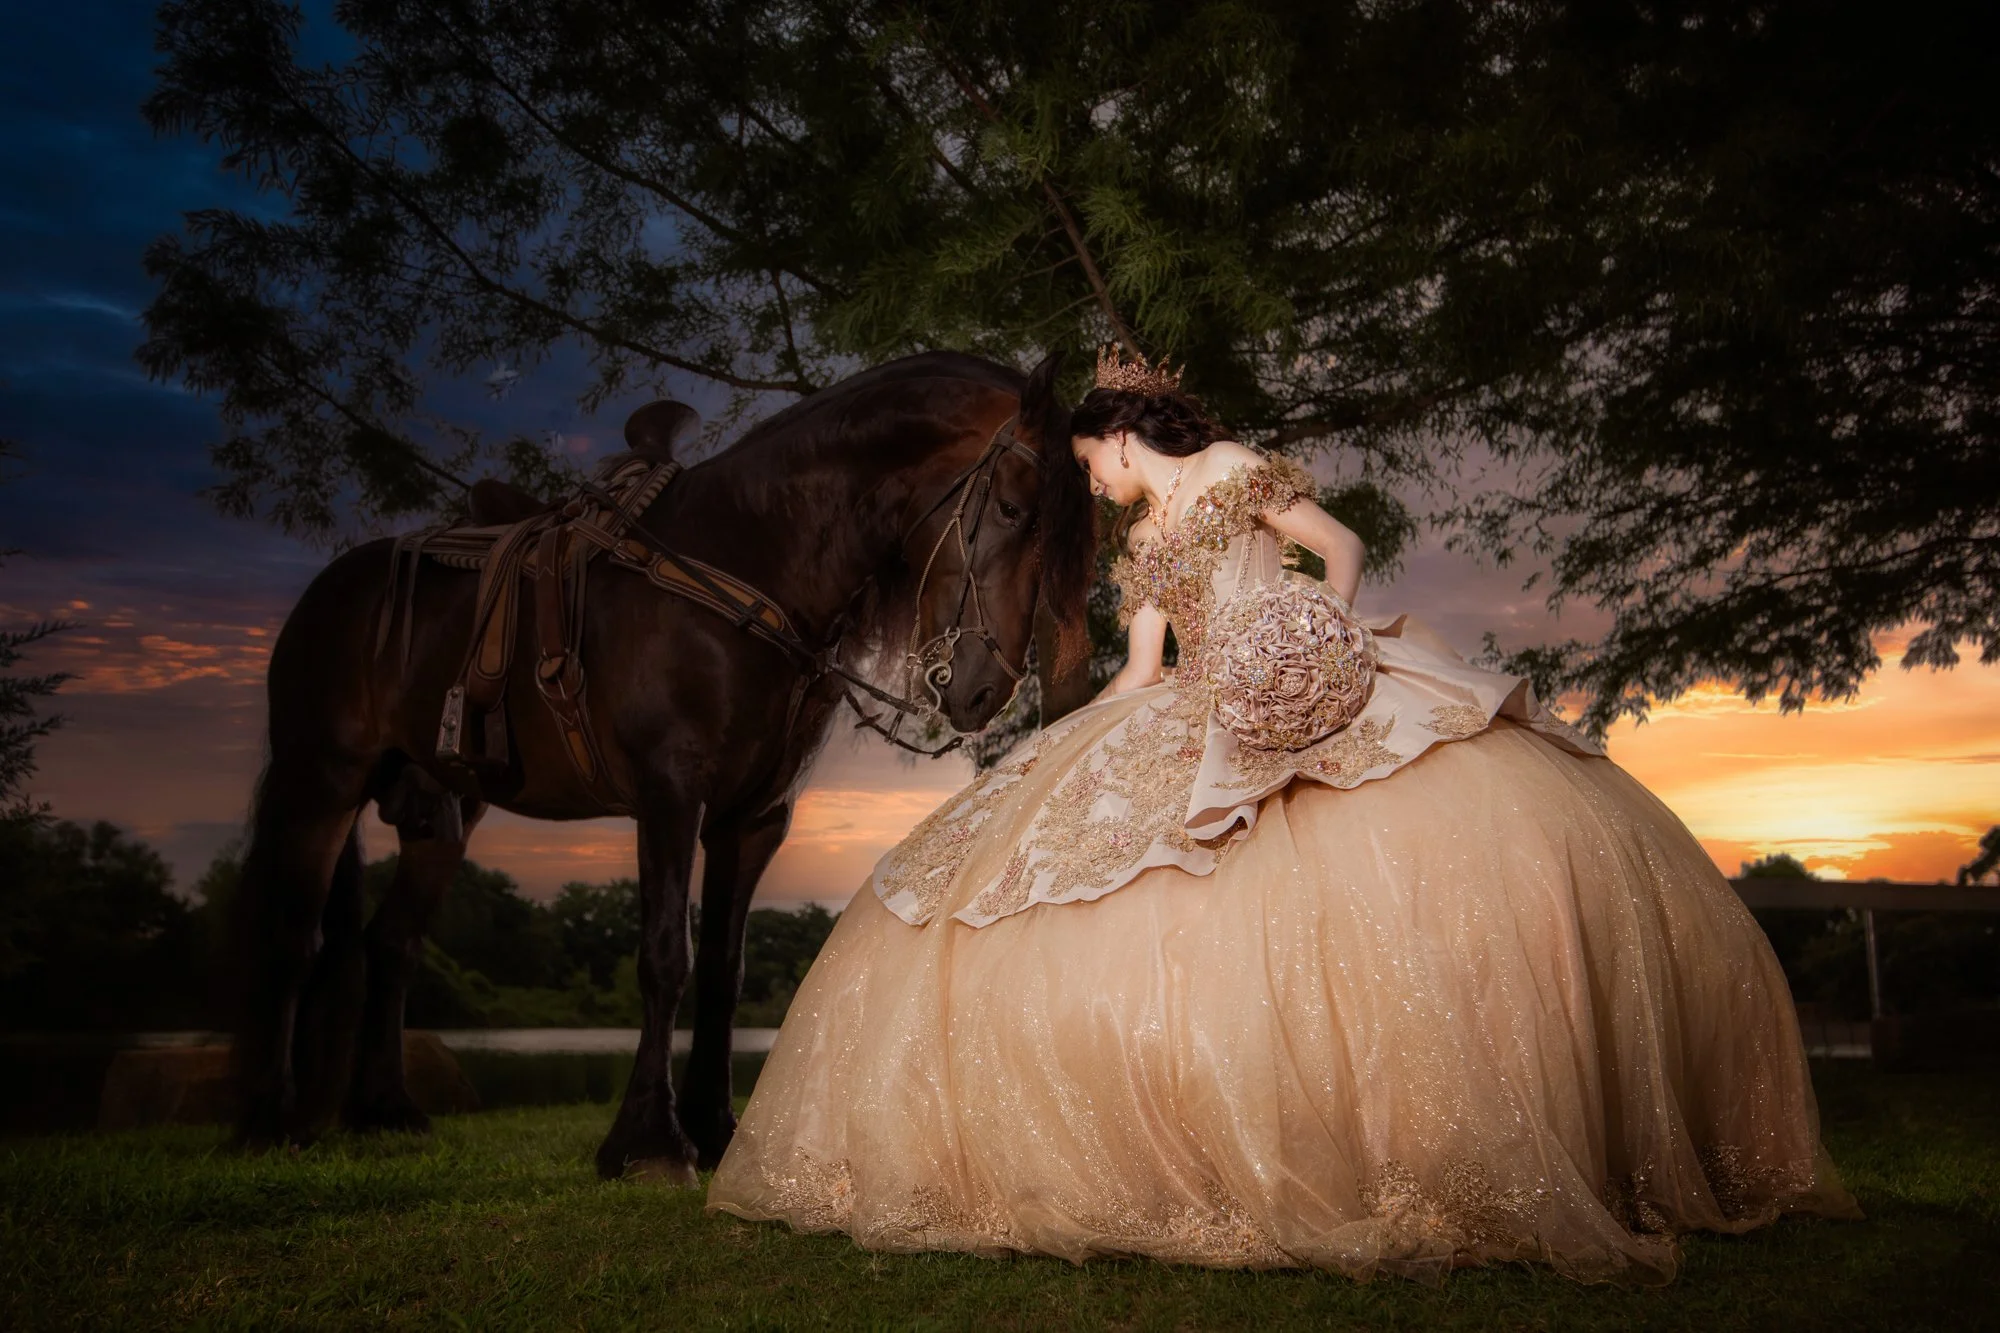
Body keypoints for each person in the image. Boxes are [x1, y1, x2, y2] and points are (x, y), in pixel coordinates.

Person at [705, 348, 1859, 1283]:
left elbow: (1341, 549)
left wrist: (1313, 637)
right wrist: (1051, 750)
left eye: (1090, 465)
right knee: (1079, 880)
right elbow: (1142, 672)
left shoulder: (1236, 468)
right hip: (1194, 705)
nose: (1093, 487)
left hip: (1305, 674)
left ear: (1115, 435)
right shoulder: (1141, 547)